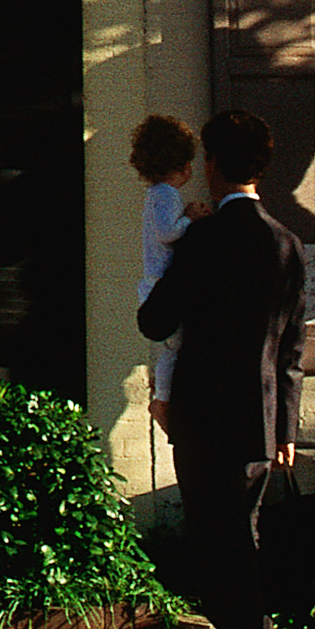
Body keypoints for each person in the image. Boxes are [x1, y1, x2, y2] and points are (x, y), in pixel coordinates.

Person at [134, 107, 308, 629]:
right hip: (260, 420)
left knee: (222, 553)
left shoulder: (204, 239)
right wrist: (288, 429)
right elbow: (291, 352)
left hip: (204, 418)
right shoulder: (287, 244)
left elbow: (155, 319)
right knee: (245, 544)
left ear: (212, 165)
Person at [131, 113, 202, 430]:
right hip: (161, 286)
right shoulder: (166, 194)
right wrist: (190, 218)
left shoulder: (157, 194)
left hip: (157, 285)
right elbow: (167, 233)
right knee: (175, 348)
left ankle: (164, 398)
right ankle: (162, 401)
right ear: (181, 165)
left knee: (173, 349)